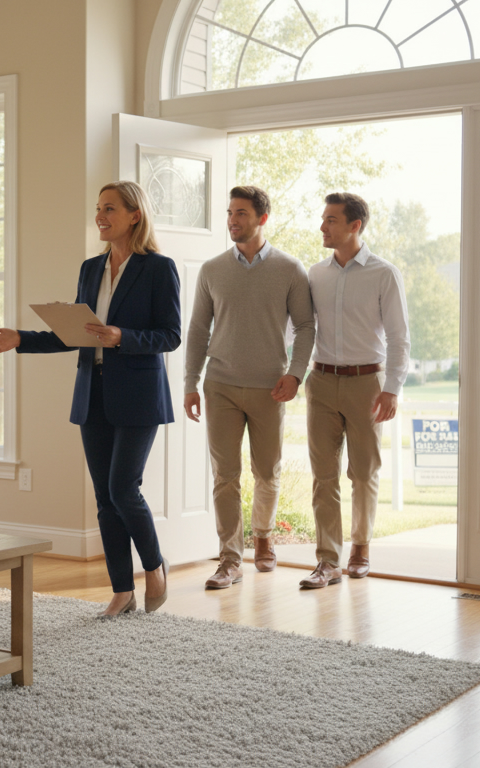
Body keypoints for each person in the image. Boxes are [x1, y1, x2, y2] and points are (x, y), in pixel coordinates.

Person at [0, 181, 180, 617]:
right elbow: (73, 335)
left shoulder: (158, 268)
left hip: (140, 395)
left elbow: (170, 335)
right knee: (105, 497)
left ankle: (154, 566)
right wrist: (21, 339)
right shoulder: (91, 269)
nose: (100, 217)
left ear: (134, 215)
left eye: (110, 209)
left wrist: (121, 336)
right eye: (98, 209)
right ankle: (122, 590)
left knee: (124, 488)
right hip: (94, 392)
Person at [183, 186, 315, 590]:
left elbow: (306, 326)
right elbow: (198, 329)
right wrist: (190, 382)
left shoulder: (290, 269)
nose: (232, 220)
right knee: (225, 475)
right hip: (220, 385)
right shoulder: (212, 270)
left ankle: (263, 536)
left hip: (269, 387)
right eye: (229, 213)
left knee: (267, 471)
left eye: (241, 213)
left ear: (262, 218)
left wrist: (295, 374)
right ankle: (229, 558)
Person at [300, 192, 410, 589]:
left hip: (368, 384)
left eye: (331, 220)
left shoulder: (384, 274)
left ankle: (360, 548)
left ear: (354, 226)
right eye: (323, 219)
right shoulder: (315, 274)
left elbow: (399, 337)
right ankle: (327, 561)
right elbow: (301, 329)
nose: (322, 226)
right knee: (323, 475)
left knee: (363, 473)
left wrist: (392, 388)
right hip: (321, 381)